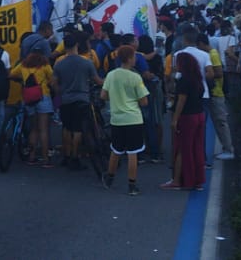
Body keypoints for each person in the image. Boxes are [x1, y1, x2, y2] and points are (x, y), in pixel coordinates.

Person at [100, 43, 149, 194]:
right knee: (132, 152)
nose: (135, 59)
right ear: (129, 58)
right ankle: (132, 185)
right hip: (133, 119)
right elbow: (144, 101)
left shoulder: (111, 75)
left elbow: (103, 95)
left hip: (117, 119)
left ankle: (109, 177)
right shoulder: (135, 77)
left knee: (116, 150)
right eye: (134, 56)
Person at [53, 33, 101, 170]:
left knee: (66, 127)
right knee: (78, 129)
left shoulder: (59, 64)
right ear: (77, 45)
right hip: (82, 99)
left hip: (65, 99)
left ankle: (66, 155)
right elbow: (97, 80)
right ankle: (75, 156)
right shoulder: (86, 63)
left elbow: (54, 83)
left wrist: (59, 93)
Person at [164, 50, 206, 191]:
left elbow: (181, 100)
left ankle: (177, 180)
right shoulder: (197, 78)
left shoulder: (183, 80)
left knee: (182, 149)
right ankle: (196, 179)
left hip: (187, 117)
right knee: (196, 148)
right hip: (199, 114)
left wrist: (175, 119)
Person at [11, 41, 57, 167]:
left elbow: (11, 74)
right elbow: (52, 80)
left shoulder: (23, 64)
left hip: (29, 98)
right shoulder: (45, 65)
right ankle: (45, 159)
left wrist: (23, 80)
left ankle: (31, 157)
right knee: (44, 129)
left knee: (33, 129)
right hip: (43, 97)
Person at [197, 32, 235, 161]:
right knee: (218, 122)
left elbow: (218, 72)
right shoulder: (211, 54)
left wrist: (207, 74)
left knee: (220, 121)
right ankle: (227, 148)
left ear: (201, 44)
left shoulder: (212, 54)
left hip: (216, 92)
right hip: (214, 92)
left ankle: (228, 149)